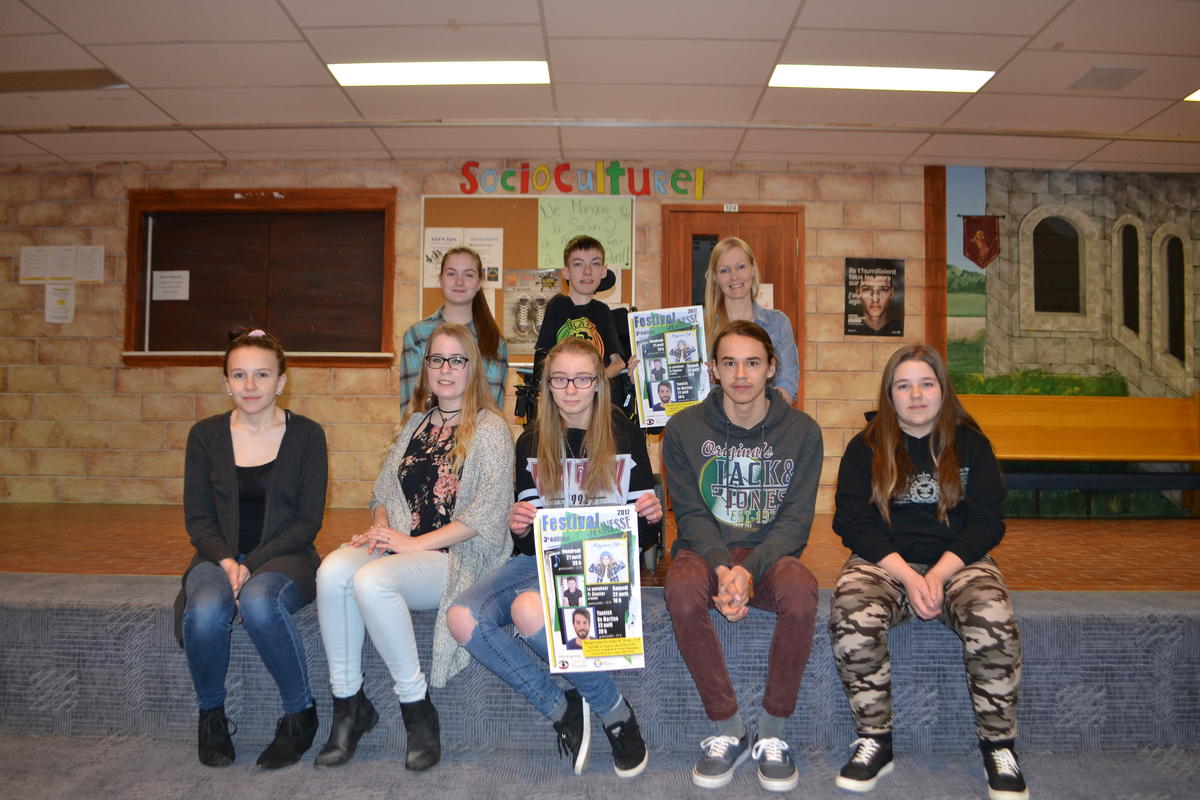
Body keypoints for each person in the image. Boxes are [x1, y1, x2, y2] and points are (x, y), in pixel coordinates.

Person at [448, 337, 661, 779]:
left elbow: (640, 537)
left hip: (601, 568)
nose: (571, 390)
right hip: (540, 562)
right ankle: (561, 705)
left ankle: (615, 712)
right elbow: (528, 545)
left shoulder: (624, 434)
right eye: (560, 380)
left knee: (528, 610)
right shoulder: (530, 440)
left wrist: (651, 517)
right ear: (546, 385)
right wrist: (519, 526)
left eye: (582, 379)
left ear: (599, 383)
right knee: (462, 617)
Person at [829, 344, 1026, 800]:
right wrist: (909, 576)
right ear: (889, 394)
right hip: (885, 563)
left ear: (943, 390)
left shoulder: (971, 444)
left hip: (959, 562)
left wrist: (936, 575)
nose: (916, 395)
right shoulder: (865, 447)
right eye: (904, 386)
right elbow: (852, 522)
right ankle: (875, 740)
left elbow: (988, 522)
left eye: (926, 384)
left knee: (993, 614)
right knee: (851, 608)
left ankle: (998, 746)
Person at [314, 323, 512, 771]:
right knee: (332, 571)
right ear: (425, 368)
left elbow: (487, 515)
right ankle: (348, 705)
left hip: (457, 557)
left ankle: (416, 708)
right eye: (436, 359)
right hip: (405, 546)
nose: (446, 369)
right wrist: (382, 529)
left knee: (371, 581)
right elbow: (382, 492)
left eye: (457, 360)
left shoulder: (491, 429)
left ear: (473, 368)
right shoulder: (416, 423)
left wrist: (412, 544)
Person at [663, 320, 821, 792]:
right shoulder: (683, 428)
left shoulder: (802, 432)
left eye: (752, 363)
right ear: (712, 369)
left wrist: (748, 572)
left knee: (801, 591)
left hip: (770, 555)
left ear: (772, 368)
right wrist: (722, 567)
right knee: (681, 588)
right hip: (704, 550)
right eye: (729, 363)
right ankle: (729, 728)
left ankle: (772, 732)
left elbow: (795, 523)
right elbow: (690, 514)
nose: (741, 374)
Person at [174, 328, 327, 769]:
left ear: (281, 381)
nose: (250, 385)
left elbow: (307, 522)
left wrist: (251, 565)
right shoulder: (205, 436)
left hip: (286, 556)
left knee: (260, 601)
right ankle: (211, 716)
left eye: (262, 374)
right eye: (239, 374)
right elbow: (198, 519)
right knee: (205, 610)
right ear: (226, 382)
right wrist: (227, 560)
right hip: (217, 554)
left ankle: (299, 714)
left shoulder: (307, 435)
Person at [399, 246, 508, 409]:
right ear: (440, 280)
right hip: (427, 425)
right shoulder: (416, 336)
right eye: (451, 274)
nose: (459, 282)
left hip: (479, 426)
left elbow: (492, 409)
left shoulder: (494, 342)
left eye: (468, 275)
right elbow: (411, 408)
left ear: (480, 282)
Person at [703, 236, 799, 404]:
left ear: (753, 270)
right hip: (712, 420)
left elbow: (788, 386)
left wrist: (754, 412)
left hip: (767, 421)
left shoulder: (778, 323)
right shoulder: (699, 327)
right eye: (724, 270)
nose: (734, 276)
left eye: (741, 267)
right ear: (715, 278)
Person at [533, 235, 626, 382]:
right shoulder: (557, 305)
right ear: (566, 272)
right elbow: (543, 360)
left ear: (603, 271)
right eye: (578, 264)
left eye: (595, 264)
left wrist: (591, 383)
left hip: (596, 393)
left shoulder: (602, 311)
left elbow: (618, 363)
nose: (587, 271)